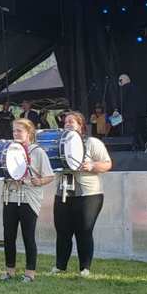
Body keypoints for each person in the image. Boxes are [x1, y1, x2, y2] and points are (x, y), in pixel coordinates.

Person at [53, 111, 112, 277]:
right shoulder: (58, 145)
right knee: (62, 231)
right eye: (66, 122)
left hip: (88, 195)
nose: (68, 124)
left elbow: (107, 164)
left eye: (72, 121)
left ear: (81, 125)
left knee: (84, 231)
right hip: (63, 193)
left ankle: (84, 268)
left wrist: (92, 166)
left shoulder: (92, 142)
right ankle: (60, 266)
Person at [0, 119, 53, 282]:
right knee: (8, 236)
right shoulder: (9, 150)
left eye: (19, 131)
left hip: (29, 198)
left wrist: (39, 181)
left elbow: (49, 175)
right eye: (14, 131)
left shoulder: (38, 152)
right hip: (10, 197)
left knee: (28, 236)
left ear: (29, 132)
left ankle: (30, 273)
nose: (15, 134)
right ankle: (9, 271)